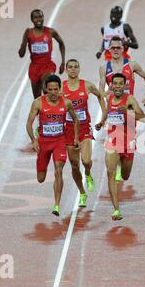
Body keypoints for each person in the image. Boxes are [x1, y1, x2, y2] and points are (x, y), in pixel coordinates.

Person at [100, 36, 145, 181]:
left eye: (119, 47)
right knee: (114, 138)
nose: (116, 50)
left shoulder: (131, 65)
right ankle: (115, 162)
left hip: (129, 111)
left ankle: (123, 162)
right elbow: (101, 91)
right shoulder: (105, 68)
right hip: (115, 110)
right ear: (109, 49)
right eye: (113, 47)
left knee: (128, 141)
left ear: (124, 49)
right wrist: (108, 98)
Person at [26, 75, 79, 217]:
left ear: (59, 89)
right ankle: (54, 196)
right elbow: (29, 124)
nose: (54, 93)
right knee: (41, 178)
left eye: (56, 89)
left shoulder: (66, 103)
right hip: (43, 143)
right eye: (50, 90)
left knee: (58, 170)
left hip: (59, 142)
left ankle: (56, 204)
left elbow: (75, 119)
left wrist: (75, 137)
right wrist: (34, 140)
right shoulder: (38, 103)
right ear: (46, 89)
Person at [63, 59, 107, 205]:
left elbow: (100, 96)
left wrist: (103, 117)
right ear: (66, 70)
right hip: (68, 131)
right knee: (74, 165)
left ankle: (88, 173)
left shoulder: (86, 85)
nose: (73, 69)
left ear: (79, 69)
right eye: (70, 67)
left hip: (84, 129)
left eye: (76, 67)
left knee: (86, 160)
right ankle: (82, 192)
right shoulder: (61, 89)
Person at [105, 73, 145, 220]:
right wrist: (101, 122)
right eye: (114, 83)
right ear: (111, 85)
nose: (117, 86)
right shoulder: (108, 98)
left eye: (120, 84)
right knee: (110, 173)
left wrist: (129, 113)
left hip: (128, 141)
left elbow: (144, 118)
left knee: (125, 175)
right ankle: (116, 209)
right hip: (113, 139)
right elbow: (108, 113)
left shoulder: (129, 99)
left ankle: (120, 165)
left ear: (124, 85)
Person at [18, 9, 66, 99]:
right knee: (37, 98)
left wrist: (63, 62)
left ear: (43, 17)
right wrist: (24, 42)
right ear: (32, 20)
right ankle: (42, 113)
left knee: (47, 88)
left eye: (40, 16)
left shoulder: (50, 32)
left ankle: (53, 111)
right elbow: (21, 55)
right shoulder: (28, 33)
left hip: (47, 66)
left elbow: (62, 44)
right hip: (34, 68)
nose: (39, 19)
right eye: (36, 17)